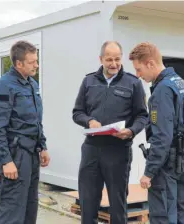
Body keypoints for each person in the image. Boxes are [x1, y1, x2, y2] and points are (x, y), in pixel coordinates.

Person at [72, 41, 148, 224]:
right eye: (109, 60)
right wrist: (88, 121)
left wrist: (131, 131)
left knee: (117, 202)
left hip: (118, 150)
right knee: (88, 202)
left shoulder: (133, 83)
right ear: (101, 59)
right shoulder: (88, 81)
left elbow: (142, 116)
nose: (113, 64)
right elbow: (77, 112)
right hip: (91, 150)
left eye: (117, 59)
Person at [129, 42, 184, 224]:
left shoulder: (162, 91)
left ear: (150, 63)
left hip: (167, 164)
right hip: (183, 159)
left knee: (163, 215)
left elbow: (162, 137)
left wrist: (148, 172)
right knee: (182, 212)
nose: (138, 75)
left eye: (139, 69)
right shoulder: (180, 83)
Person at [0, 40, 50, 224]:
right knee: (12, 210)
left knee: (30, 208)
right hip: (16, 156)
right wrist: (6, 161)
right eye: (32, 62)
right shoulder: (5, 86)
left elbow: (35, 120)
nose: (36, 65)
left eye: (36, 60)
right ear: (19, 63)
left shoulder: (31, 84)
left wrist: (42, 146)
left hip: (32, 154)